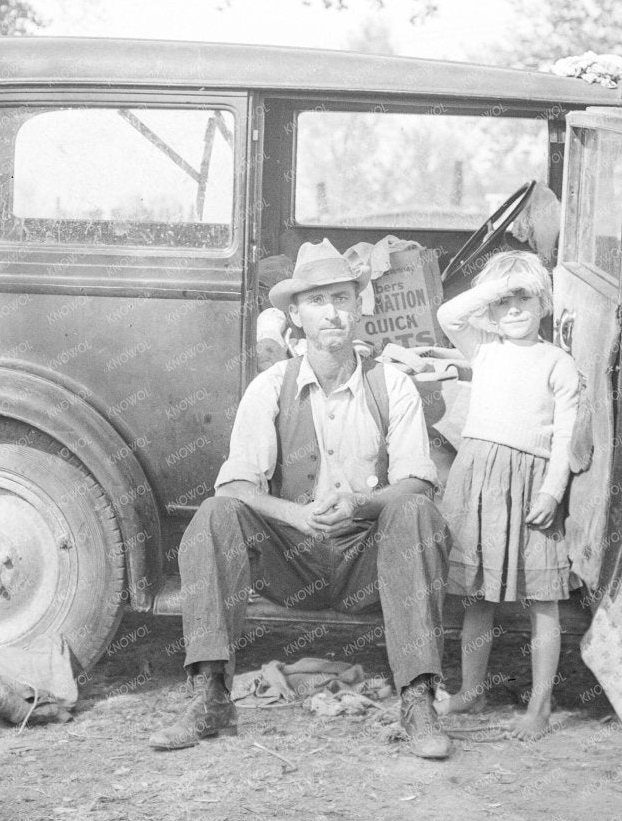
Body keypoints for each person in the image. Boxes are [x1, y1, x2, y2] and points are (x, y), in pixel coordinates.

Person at [148, 239, 455, 760]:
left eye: (341, 298)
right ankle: (210, 695)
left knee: (417, 511)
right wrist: (294, 514)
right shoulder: (270, 386)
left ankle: (418, 698)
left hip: (366, 565)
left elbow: (418, 481)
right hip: (290, 562)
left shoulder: (393, 385)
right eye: (317, 302)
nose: (332, 313)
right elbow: (237, 485)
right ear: (296, 314)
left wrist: (361, 504)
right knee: (215, 515)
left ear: (359, 307)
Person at [434, 250, 580, 738]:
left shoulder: (558, 363)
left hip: (532, 483)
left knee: (543, 600)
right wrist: (496, 289)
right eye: (503, 301)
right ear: (490, 309)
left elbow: (565, 437)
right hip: (478, 477)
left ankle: (539, 706)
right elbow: (447, 314)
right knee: (477, 596)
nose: (514, 309)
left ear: (543, 303)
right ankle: (471, 692)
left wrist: (553, 491)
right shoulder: (483, 348)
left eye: (525, 298)